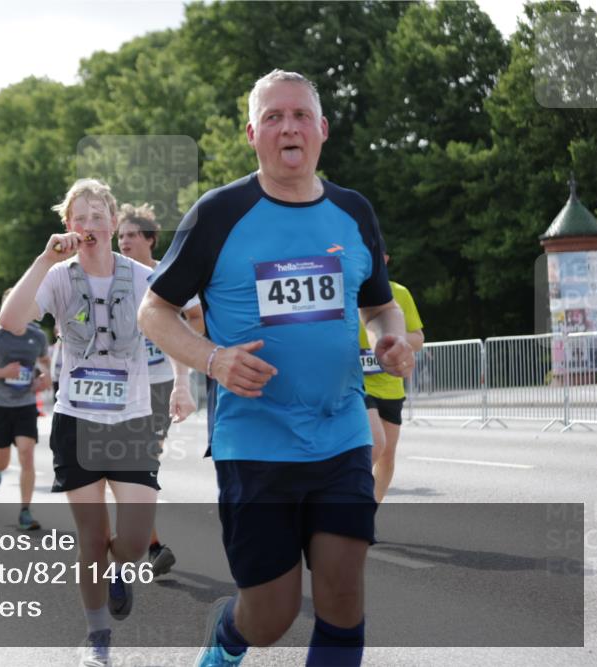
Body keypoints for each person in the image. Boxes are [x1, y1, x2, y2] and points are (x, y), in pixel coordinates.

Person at [138, 70, 416, 667]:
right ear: (252, 134)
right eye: (272, 117)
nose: (287, 126)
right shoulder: (220, 213)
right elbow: (154, 312)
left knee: (344, 593)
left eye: (298, 115)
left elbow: (379, 304)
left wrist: (390, 338)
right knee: (271, 615)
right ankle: (227, 641)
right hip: (256, 442)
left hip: (341, 431)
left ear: (321, 129)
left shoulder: (353, 211)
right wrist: (212, 359)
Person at [0, 178, 161, 667]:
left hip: (132, 420)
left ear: (114, 222)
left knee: (131, 543)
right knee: (91, 540)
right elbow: (12, 319)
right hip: (77, 420)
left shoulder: (142, 276)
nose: (90, 224)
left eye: (98, 215)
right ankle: (97, 636)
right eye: (80, 217)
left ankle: (120, 573)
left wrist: (180, 385)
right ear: (68, 226)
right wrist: (44, 259)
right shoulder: (58, 275)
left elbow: (179, 323)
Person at [117, 202, 203, 577]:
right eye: (120, 236)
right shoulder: (112, 277)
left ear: (151, 239)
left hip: (158, 384)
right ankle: (148, 545)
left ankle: (146, 545)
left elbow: (196, 318)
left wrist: (180, 346)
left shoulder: (169, 275)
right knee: (131, 464)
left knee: (142, 461)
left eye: (132, 235)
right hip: (116, 387)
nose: (125, 241)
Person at [0, 288, 51, 531]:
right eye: (11, 305)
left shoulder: (37, 337)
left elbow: (47, 366)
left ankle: (25, 511)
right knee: (4, 461)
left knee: (27, 454)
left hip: (25, 404)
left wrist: (44, 379)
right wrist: (2, 373)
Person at [359, 249, 424, 503]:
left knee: (387, 455)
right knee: (374, 446)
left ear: (386, 260)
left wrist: (394, 339)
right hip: (359, 385)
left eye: (380, 255)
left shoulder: (400, 293)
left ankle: (370, 510)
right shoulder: (346, 291)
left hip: (391, 385)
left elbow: (418, 338)